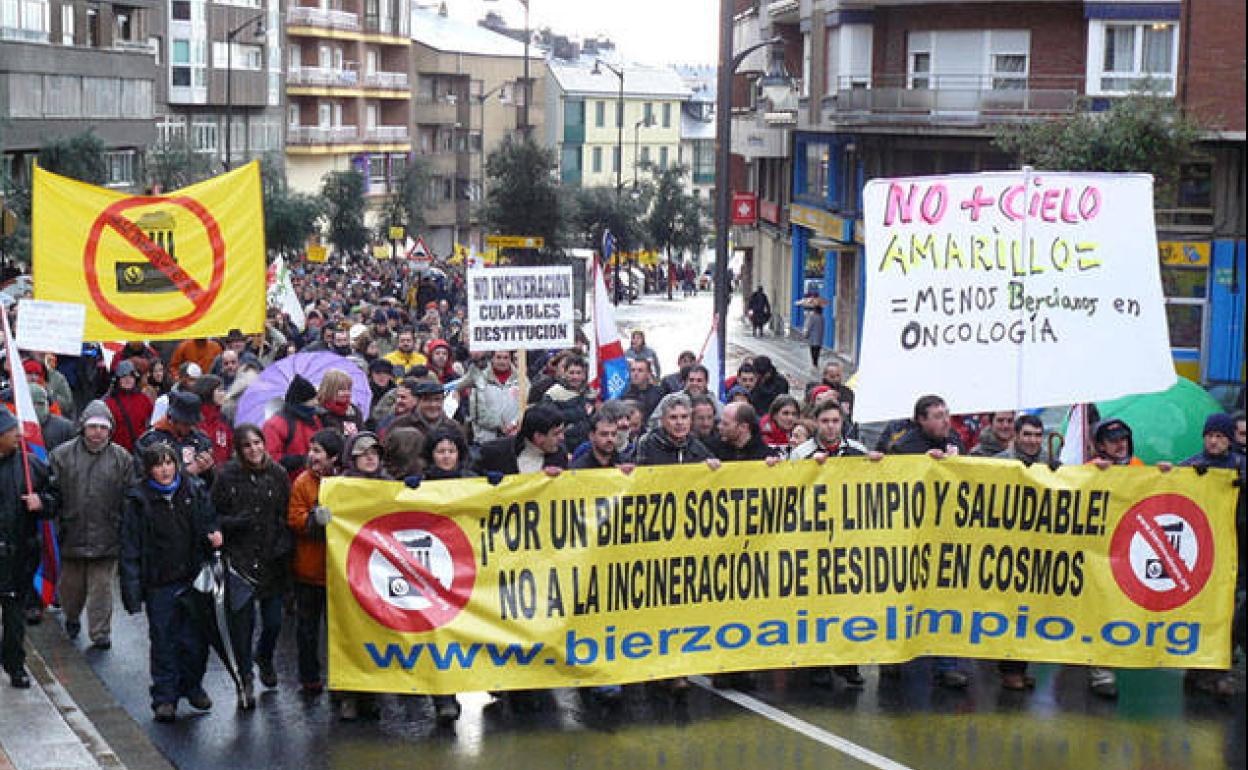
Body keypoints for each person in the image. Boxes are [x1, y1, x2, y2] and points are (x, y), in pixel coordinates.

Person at [120, 443, 222, 722]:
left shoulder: (194, 489)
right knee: (164, 640)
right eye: (158, 464)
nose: (165, 470)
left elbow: (209, 521)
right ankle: (165, 697)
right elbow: (130, 546)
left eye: (169, 463)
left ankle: (192, 685)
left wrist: (214, 534)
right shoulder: (138, 500)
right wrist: (132, 590)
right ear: (148, 469)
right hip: (159, 581)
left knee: (195, 641)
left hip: (192, 577)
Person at [787, 398, 877, 688]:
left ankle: (847, 662)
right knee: (817, 604)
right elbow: (788, 492)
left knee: (848, 602)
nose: (830, 426)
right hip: (813, 539)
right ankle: (818, 664)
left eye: (835, 421)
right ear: (817, 423)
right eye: (825, 421)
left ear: (842, 423)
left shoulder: (857, 451)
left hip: (849, 539)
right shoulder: (801, 453)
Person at [887, 394, 970, 689]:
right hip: (913, 538)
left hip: (947, 535)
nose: (945, 421)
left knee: (945, 599)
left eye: (946, 414)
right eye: (937, 416)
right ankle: (895, 658)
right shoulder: (904, 447)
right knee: (905, 598)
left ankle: (946, 664)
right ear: (921, 420)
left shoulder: (956, 442)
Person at [212, 424, 292, 701]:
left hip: (272, 560)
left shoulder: (278, 474)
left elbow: (286, 513)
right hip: (240, 560)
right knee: (241, 627)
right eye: (247, 445)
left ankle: (265, 656)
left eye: (257, 443)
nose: (254, 449)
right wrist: (234, 524)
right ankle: (244, 677)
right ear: (239, 450)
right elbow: (214, 516)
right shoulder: (227, 476)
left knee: (272, 622)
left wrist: (284, 541)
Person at [50, 400, 134, 649]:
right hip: (71, 534)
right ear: (83, 427)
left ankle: (100, 633)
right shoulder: (62, 455)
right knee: (71, 588)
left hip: (107, 537)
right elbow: (52, 493)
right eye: (92, 426)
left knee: (101, 590)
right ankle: (72, 617)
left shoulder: (121, 458)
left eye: (102, 427)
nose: (97, 432)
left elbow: (130, 496)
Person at [1179, 413, 1245, 699]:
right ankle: (1197, 667)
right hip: (1202, 550)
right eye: (1210, 436)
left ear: (1229, 440)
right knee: (1200, 608)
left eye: (1220, 436)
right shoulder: (1193, 464)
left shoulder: (1241, 465)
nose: (1214, 441)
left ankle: (1221, 669)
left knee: (1227, 611)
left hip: (1236, 549)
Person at [0, 405, 57, 689]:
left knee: (14, 616)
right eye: (10, 431)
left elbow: (54, 496)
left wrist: (42, 503)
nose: (17, 435)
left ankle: (14, 664)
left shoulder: (30, 464)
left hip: (18, 554)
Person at [287, 429, 343, 695]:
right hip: (309, 571)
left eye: (318, 451)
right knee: (307, 629)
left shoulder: (345, 481)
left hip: (338, 572)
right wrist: (313, 519)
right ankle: (309, 677)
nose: (312, 456)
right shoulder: (302, 483)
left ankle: (341, 678)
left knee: (340, 631)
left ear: (333, 457)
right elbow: (294, 519)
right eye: (311, 450)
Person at [135, 392, 216, 484]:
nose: (189, 427)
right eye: (185, 423)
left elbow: (210, 484)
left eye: (192, 423)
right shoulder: (150, 441)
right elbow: (142, 478)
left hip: (194, 496)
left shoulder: (201, 440)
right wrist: (186, 473)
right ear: (173, 419)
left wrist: (208, 469)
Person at [476, 405, 569, 477]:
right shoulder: (494, 452)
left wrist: (561, 478)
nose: (562, 438)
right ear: (538, 437)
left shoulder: (559, 455)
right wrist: (487, 479)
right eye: (556, 434)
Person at [263, 375, 323, 478]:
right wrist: (303, 459)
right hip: (288, 483)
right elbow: (271, 458)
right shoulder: (274, 425)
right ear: (302, 401)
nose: (316, 402)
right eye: (312, 399)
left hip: (314, 480)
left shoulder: (314, 419)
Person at [540, 356, 595, 453]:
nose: (575, 377)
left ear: (584, 375)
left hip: (588, 446)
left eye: (578, 373)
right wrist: (580, 412)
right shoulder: (553, 393)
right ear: (565, 373)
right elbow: (550, 418)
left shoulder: (591, 393)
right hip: (563, 446)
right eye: (571, 373)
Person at [467, 352, 521, 444]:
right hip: (487, 440)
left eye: (505, 358)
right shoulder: (480, 379)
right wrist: (500, 426)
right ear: (492, 359)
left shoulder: (522, 380)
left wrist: (514, 424)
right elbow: (476, 411)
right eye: (498, 357)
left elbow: (527, 404)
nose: (502, 361)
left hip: (515, 438)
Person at [105, 360, 154, 452]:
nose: (128, 379)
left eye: (131, 376)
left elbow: (152, 425)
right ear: (117, 380)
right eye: (124, 377)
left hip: (140, 451)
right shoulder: (108, 403)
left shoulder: (144, 400)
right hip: (116, 453)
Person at [190, 375, 233, 468]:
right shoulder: (193, 419)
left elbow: (230, 450)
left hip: (222, 476)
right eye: (220, 390)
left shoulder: (224, 419)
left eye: (224, 390)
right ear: (207, 391)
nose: (224, 393)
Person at [316, 368, 363, 436]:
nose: (347, 393)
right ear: (330, 390)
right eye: (342, 389)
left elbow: (361, 436)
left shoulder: (354, 411)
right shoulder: (318, 413)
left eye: (348, 389)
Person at [622, 358, 664, 423]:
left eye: (640, 370)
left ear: (648, 374)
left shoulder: (659, 393)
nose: (635, 374)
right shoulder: (623, 393)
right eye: (632, 370)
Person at [796, 290, 828, 369]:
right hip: (819, 337)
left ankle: (814, 363)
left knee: (813, 350)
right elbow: (823, 327)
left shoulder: (812, 317)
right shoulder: (822, 318)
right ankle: (815, 362)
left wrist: (806, 334)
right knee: (817, 350)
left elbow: (809, 327)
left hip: (813, 338)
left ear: (815, 310)